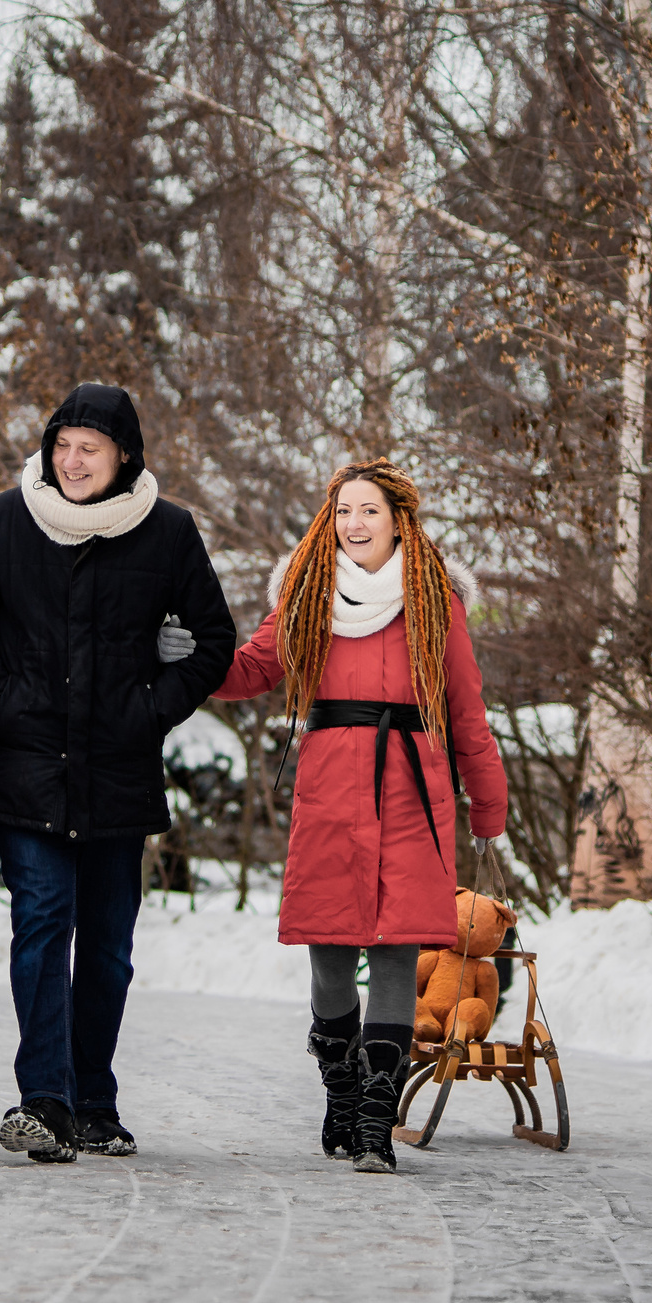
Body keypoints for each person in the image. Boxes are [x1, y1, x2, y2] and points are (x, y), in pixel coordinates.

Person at [0, 383, 236, 1162]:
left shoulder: (167, 530)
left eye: (91, 447)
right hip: (30, 764)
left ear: (124, 457)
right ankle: (43, 1099)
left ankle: (95, 1099)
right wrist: (4, 703)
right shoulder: (9, 518)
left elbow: (214, 639)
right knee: (41, 926)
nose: (72, 460)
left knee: (107, 944)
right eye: (63, 444)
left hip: (120, 770)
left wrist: (150, 709)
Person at [211, 459, 508, 1174]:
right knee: (332, 956)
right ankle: (341, 1092)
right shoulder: (308, 596)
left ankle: (377, 1118)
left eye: (369, 510)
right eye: (344, 510)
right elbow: (251, 669)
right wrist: (184, 656)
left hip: (414, 785)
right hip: (330, 789)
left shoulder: (436, 600)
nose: (355, 523)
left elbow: (466, 707)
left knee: (399, 948)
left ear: (398, 518)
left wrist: (488, 804)